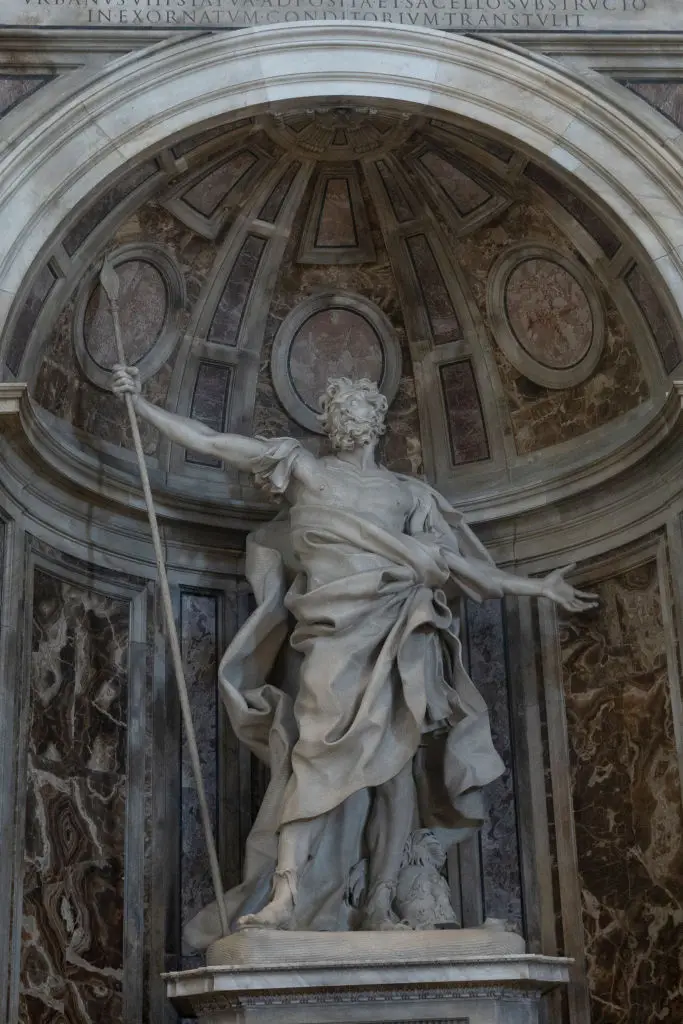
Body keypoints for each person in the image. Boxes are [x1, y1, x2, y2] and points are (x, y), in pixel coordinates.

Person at [113, 366, 596, 942]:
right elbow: (219, 444)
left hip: (398, 634)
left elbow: (466, 571)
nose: (349, 420)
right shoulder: (306, 471)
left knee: (394, 775)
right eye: (339, 411)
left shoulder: (406, 495)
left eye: (359, 409)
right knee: (313, 756)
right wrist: (142, 407)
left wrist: (535, 588)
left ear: (378, 421)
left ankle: (380, 901)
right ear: (327, 424)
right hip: (333, 637)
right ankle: (286, 895)